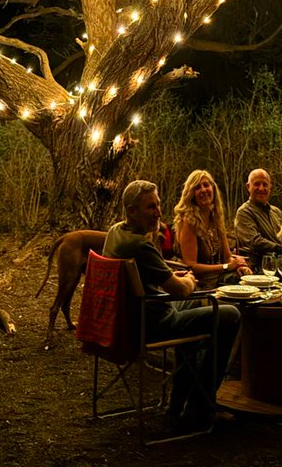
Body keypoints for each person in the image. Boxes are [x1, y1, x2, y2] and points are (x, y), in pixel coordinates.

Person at [103, 179, 241, 428]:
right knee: (229, 313)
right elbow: (178, 291)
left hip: (137, 313)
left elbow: (154, 274)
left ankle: (178, 401)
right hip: (154, 323)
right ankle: (201, 402)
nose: (158, 212)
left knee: (200, 303)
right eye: (150, 207)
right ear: (132, 211)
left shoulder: (116, 232)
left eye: (157, 205)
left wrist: (172, 276)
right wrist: (187, 279)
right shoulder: (141, 245)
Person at [173, 169, 249, 283]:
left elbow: (227, 257)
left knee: (247, 279)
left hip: (217, 277)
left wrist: (240, 266)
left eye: (206, 185)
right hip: (196, 281)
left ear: (213, 189)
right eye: (197, 187)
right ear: (191, 194)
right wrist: (226, 267)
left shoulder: (216, 218)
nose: (203, 190)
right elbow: (191, 265)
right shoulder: (188, 221)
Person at [234, 167, 282, 269]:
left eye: (265, 185)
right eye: (257, 184)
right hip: (261, 269)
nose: (261, 188)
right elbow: (255, 242)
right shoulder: (244, 212)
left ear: (270, 187)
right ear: (248, 187)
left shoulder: (276, 212)